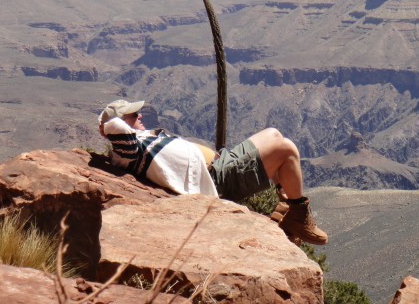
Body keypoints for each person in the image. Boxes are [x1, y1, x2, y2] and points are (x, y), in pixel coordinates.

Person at [98, 98, 328, 245]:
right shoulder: (129, 149)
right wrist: (106, 124)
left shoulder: (140, 138)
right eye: (131, 115)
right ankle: (298, 215)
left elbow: (120, 126)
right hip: (217, 180)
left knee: (273, 133)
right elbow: (114, 128)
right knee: (286, 149)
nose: (139, 116)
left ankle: (286, 202)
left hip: (221, 162)